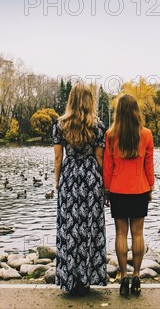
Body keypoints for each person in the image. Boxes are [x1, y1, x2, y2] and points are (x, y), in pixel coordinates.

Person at [52, 83, 107, 296]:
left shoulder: (60, 124)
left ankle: (70, 278)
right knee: (90, 226)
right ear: (89, 101)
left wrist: (58, 181)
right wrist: (101, 183)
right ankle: (88, 278)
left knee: (69, 226)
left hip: (70, 177)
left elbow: (58, 158)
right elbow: (100, 157)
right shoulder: (98, 125)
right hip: (91, 177)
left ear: (71, 100)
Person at [103, 94, 154, 297]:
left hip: (118, 189)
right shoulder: (147, 134)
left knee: (121, 234)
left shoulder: (110, 134)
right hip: (140, 189)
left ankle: (123, 276)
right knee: (138, 233)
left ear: (118, 112)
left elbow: (108, 166)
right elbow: (148, 164)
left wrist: (106, 190)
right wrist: (150, 187)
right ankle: (137, 276)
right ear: (136, 112)